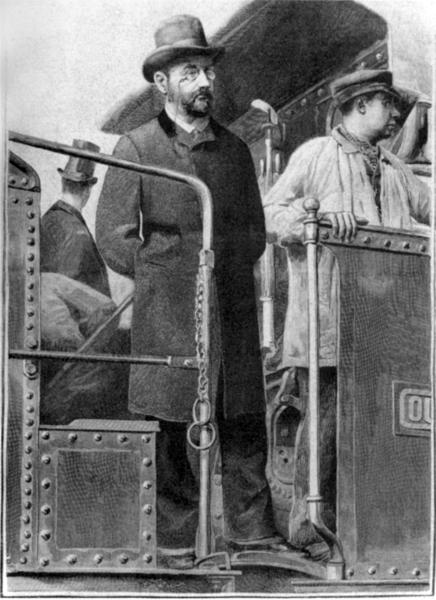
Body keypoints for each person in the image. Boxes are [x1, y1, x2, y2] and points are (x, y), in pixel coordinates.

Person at [96, 14, 291, 567]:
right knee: (172, 425)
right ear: (162, 83)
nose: (205, 82)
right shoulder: (136, 147)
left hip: (231, 306)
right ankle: (175, 542)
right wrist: (166, 273)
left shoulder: (234, 150)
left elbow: (254, 230)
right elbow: (113, 235)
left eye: (207, 71)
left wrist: (223, 268)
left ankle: (252, 533)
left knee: (243, 418)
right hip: (169, 312)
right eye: (190, 72)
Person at [263, 69, 430, 556]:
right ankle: (311, 529)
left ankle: (371, 528)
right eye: (388, 104)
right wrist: (311, 219)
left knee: (379, 426)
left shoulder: (395, 169)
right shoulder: (316, 155)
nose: (396, 115)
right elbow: (270, 212)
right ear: (360, 105)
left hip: (384, 325)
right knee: (326, 425)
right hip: (328, 321)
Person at [40, 139, 111, 297]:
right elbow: (69, 293)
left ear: (63, 182)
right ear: (88, 189)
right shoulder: (77, 234)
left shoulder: (48, 219)